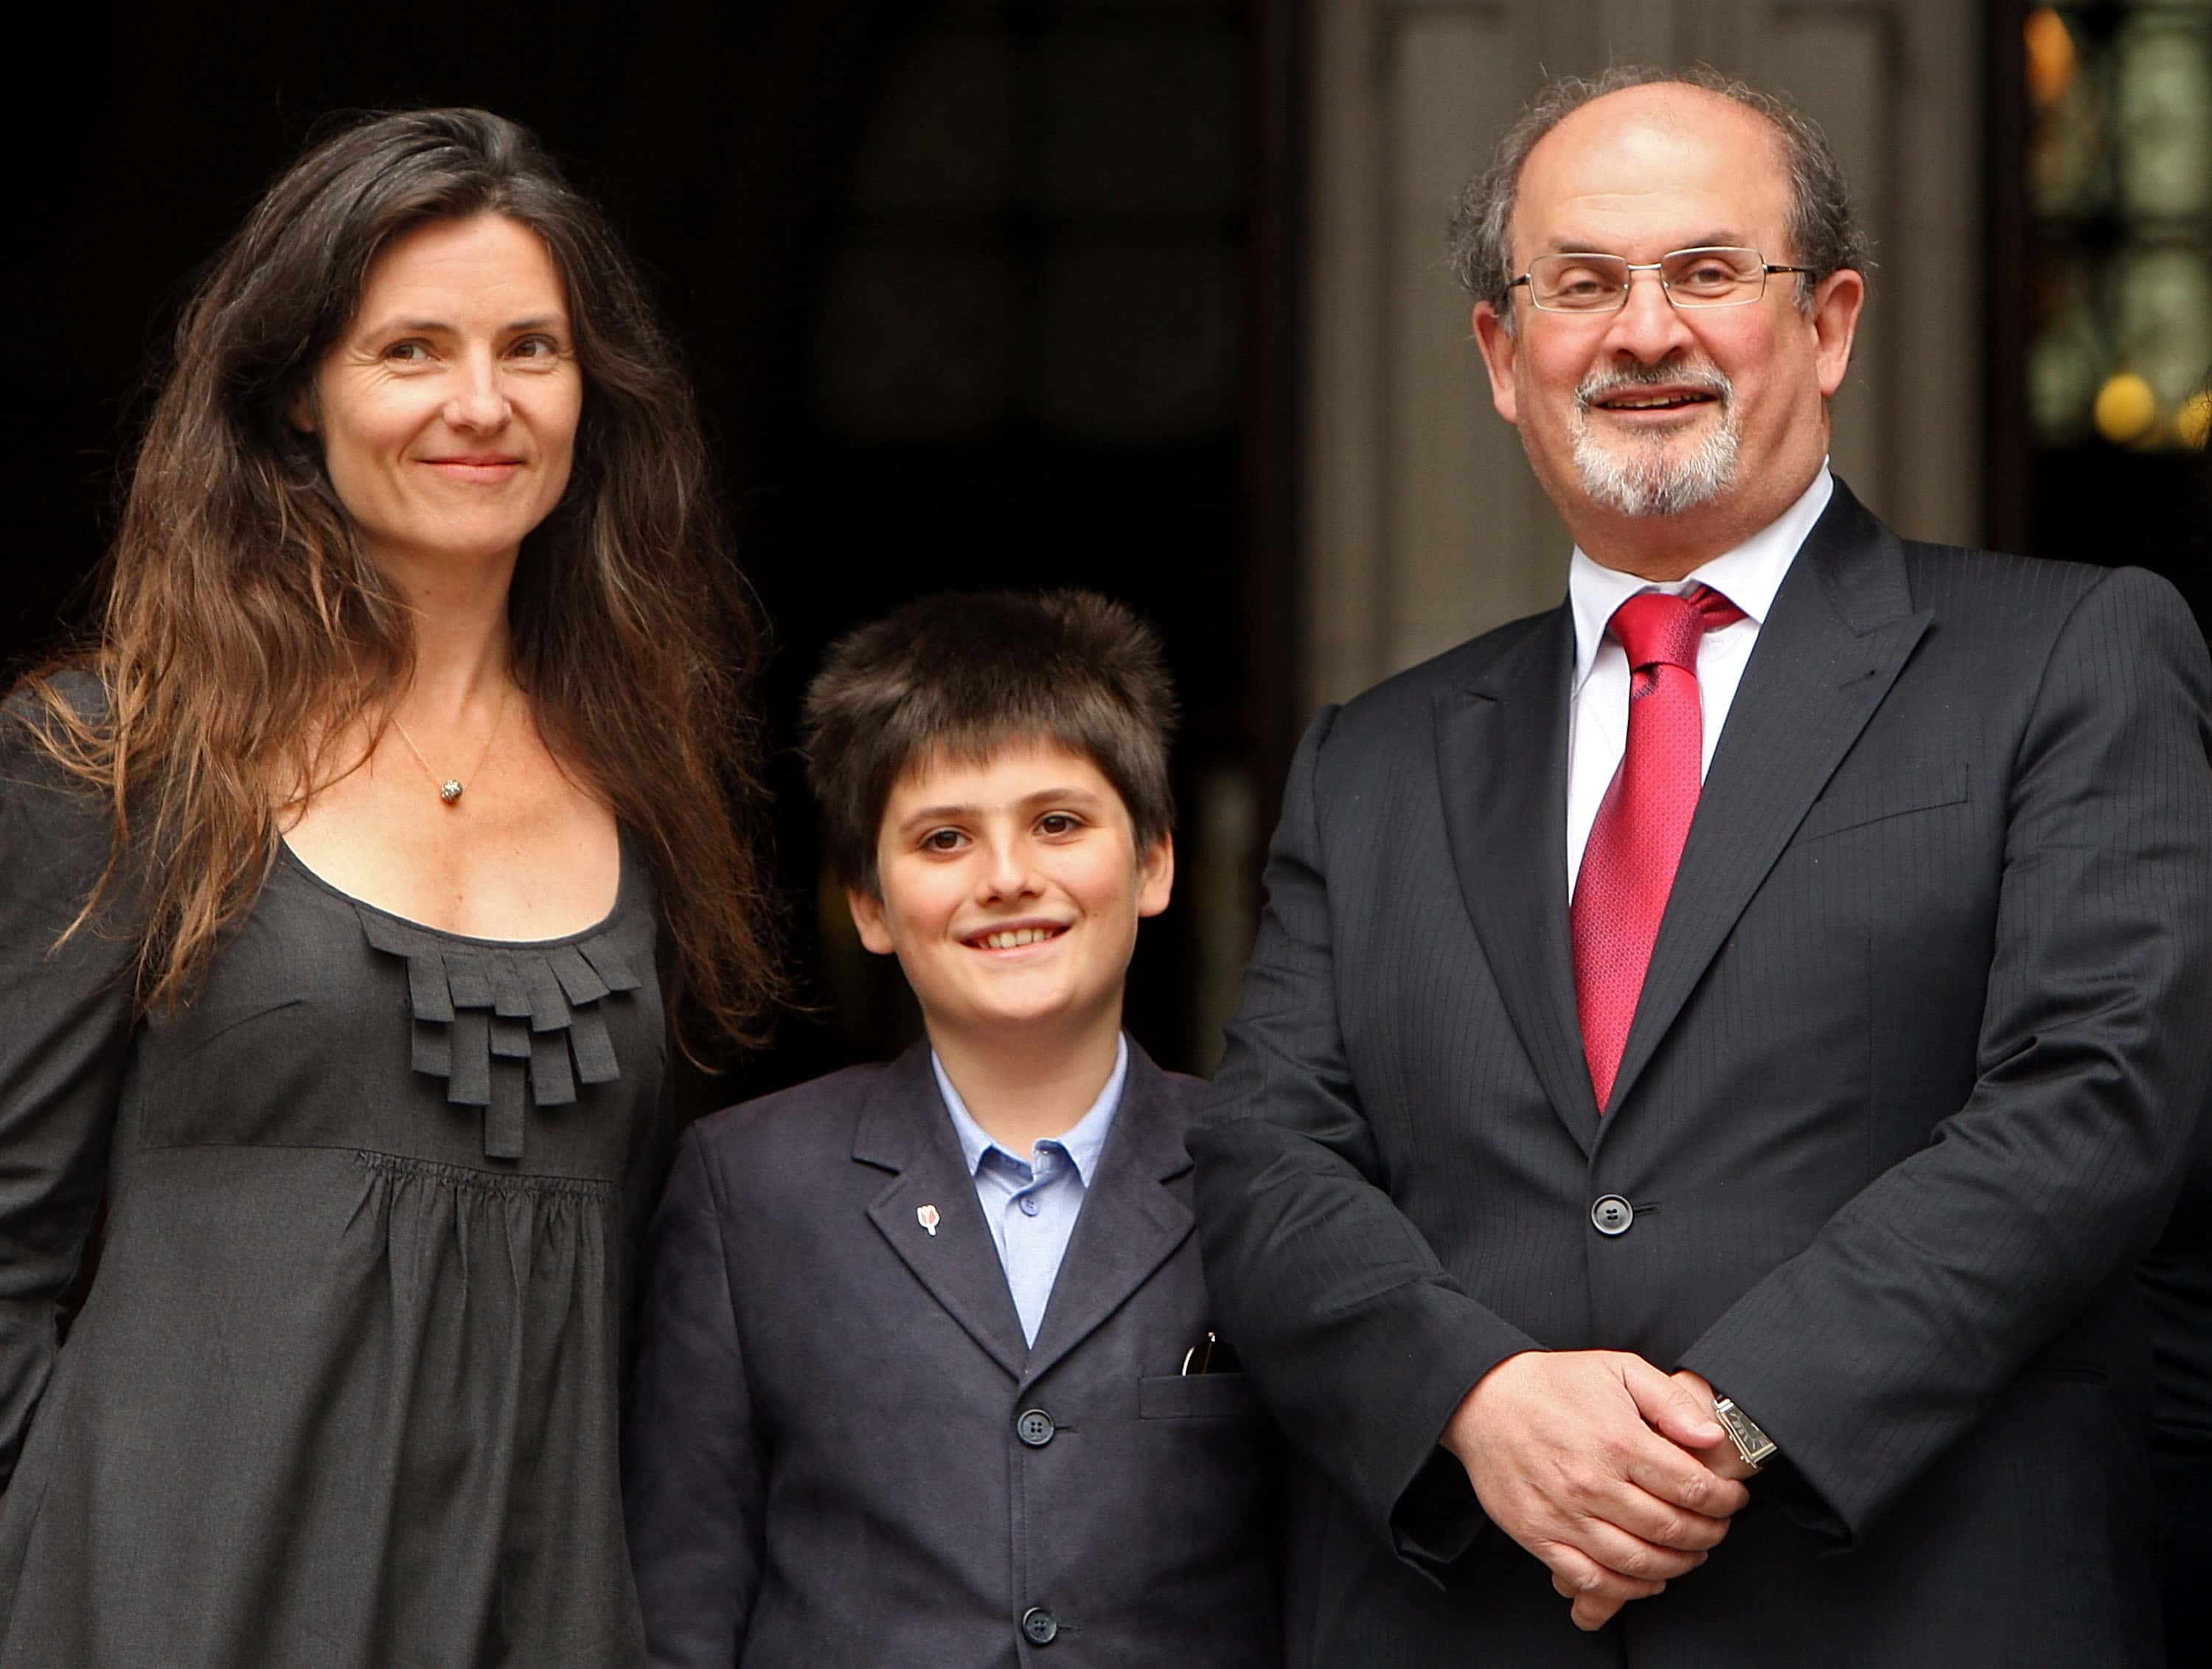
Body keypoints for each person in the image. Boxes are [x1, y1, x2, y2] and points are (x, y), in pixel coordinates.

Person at [1190, 63, 2212, 1668]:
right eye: (1581, 284)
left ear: (1829, 323)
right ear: (1501, 357)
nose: (1644, 330)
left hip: (1909, 1607)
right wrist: (1474, 1393)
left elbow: (2098, 1097)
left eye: (1710, 272)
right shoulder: (1373, 758)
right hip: (1465, 1615)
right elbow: (1265, 1162)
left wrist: (1726, 1425)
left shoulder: (2069, 654)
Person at [0, 108, 779, 1666]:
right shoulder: (118, 757)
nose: (480, 405)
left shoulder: (650, 780)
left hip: (544, 1612)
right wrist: (69, 1565)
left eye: (532, 351)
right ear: (298, 391)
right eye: (411, 349)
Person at [622, 589, 1281, 1668]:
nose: (1008, 877)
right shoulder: (749, 1188)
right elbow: (681, 1604)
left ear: (1154, 861)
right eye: (943, 839)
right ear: (871, 905)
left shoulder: (1267, 1172)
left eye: (1058, 823)